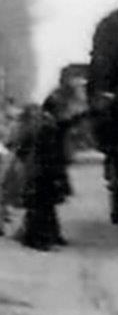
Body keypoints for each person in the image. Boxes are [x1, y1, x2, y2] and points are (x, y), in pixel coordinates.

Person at [15, 104, 69, 251]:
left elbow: (22, 150)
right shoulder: (43, 129)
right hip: (41, 171)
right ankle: (38, 237)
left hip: (41, 170)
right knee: (41, 205)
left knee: (42, 204)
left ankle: (42, 235)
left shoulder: (43, 129)